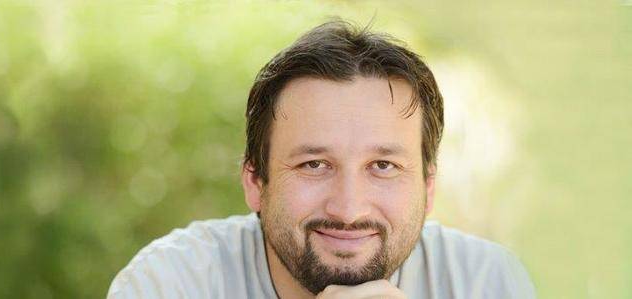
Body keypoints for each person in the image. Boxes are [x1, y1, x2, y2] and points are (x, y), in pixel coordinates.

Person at [107, 19, 536, 299]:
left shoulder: (488, 282)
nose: (348, 210)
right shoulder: (170, 284)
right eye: (314, 165)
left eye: (383, 166)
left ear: (428, 186)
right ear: (255, 181)